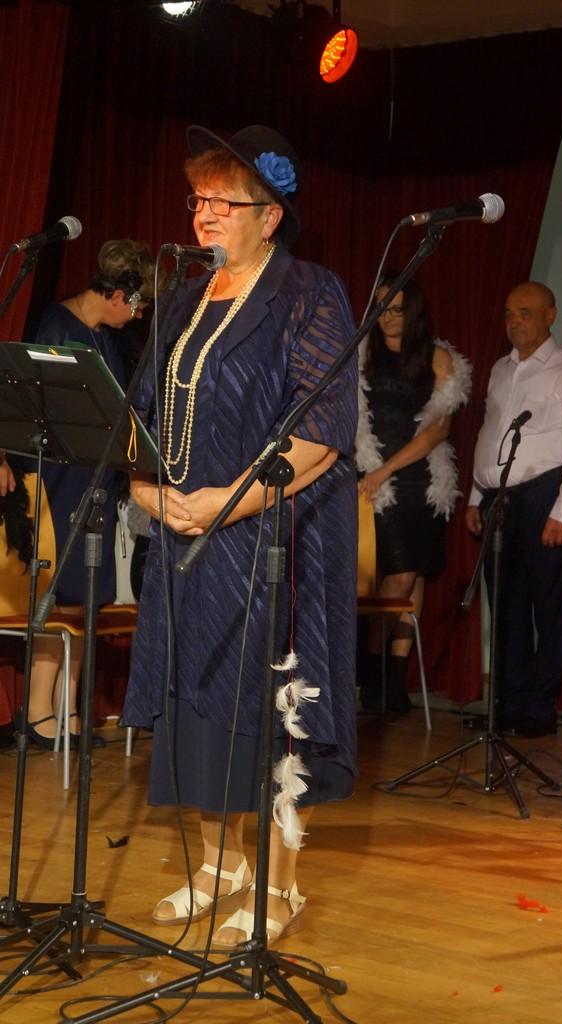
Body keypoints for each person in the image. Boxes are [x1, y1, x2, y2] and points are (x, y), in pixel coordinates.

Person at [121, 124, 358, 946]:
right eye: (199, 198)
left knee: (278, 706)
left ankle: (281, 886)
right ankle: (221, 864)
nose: (205, 213)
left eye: (225, 201)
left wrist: (223, 501)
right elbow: (138, 418)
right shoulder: (184, 300)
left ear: (271, 215)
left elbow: (322, 432)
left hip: (278, 534)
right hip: (187, 533)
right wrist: (150, 493)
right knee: (198, 697)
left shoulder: (310, 293)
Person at [21, 239, 155, 748]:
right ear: (117, 295)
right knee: (59, 595)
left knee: (88, 598)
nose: (139, 314)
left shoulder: (107, 339)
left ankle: (69, 709)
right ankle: (38, 711)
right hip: (61, 482)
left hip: (96, 480)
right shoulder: (58, 327)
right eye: (137, 304)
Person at [465, 281, 562, 737]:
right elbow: (490, 434)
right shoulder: (500, 369)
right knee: (505, 604)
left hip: (545, 496)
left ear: (550, 316)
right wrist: (476, 495)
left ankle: (539, 708)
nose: (514, 321)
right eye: (509, 313)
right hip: (499, 497)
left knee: (547, 607)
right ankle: (506, 705)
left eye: (525, 312)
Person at [355, 273, 471, 711]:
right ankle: (373, 674)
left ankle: (394, 677)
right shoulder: (363, 354)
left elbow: (439, 428)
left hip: (418, 478)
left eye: (397, 309)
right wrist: (375, 469)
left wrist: (389, 468)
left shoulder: (437, 358)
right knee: (389, 575)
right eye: (381, 308)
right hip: (371, 477)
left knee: (412, 573)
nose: (387, 317)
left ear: (414, 311)